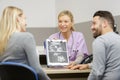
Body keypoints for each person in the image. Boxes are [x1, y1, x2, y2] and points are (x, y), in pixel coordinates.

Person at [0, 6, 50, 80]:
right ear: (18, 19)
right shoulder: (27, 37)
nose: (26, 23)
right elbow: (37, 70)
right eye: (24, 19)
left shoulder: (2, 40)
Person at [70, 10, 120, 80]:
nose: (91, 27)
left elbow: (97, 73)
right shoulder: (118, 38)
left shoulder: (100, 41)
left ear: (104, 23)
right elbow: (109, 63)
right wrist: (88, 65)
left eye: (94, 23)